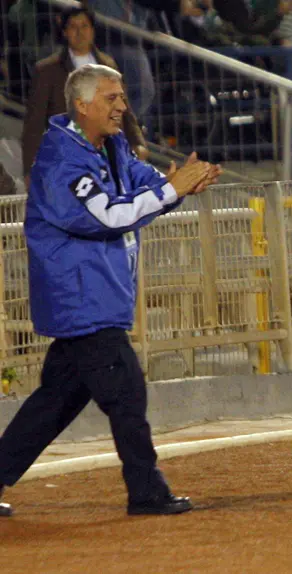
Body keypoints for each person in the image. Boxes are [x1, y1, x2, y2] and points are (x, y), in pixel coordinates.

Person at [0, 64, 222, 518]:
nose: (122, 106)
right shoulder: (62, 162)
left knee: (55, 402)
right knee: (126, 394)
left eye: (121, 97)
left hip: (96, 299)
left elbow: (143, 182)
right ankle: (147, 492)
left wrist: (177, 186)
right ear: (81, 106)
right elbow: (106, 217)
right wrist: (168, 193)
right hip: (82, 302)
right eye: (111, 98)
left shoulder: (111, 145)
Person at [22, 6, 147, 188]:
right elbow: (34, 124)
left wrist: (137, 143)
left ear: (93, 30)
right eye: (73, 27)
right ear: (64, 32)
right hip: (67, 156)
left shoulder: (107, 64)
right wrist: (29, 168)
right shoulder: (47, 70)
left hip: (109, 153)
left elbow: (125, 109)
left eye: (84, 26)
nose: (80, 32)